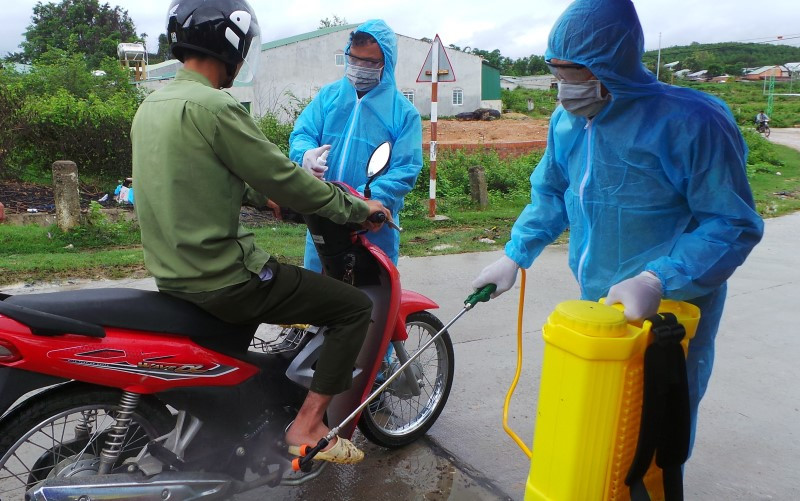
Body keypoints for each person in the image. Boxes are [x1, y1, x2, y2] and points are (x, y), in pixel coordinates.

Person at [472, 0, 764, 455]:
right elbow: (551, 193)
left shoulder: (692, 121)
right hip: (600, 304)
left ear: (613, 63)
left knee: (655, 434)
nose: (566, 87)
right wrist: (515, 253)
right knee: (600, 426)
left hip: (672, 309)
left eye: (575, 73)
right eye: (557, 72)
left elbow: (731, 222)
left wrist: (657, 278)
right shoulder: (567, 121)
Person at [132, 0, 393, 464]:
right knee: (352, 308)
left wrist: (259, 197)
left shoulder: (153, 106)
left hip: (174, 275)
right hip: (227, 279)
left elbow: (198, 178)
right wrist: (356, 210)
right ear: (231, 46)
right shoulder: (214, 106)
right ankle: (308, 424)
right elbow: (287, 178)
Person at [289, 20, 423, 271]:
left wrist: (362, 202)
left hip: (372, 225)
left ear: (386, 63)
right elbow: (302, 133)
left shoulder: (403, 114)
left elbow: (406, 168)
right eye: (354, 58)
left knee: (372, 301)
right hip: (324, 217)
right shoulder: (328, 97)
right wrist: (305, 155)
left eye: (370, 63)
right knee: (319, 296)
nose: (359, 67)